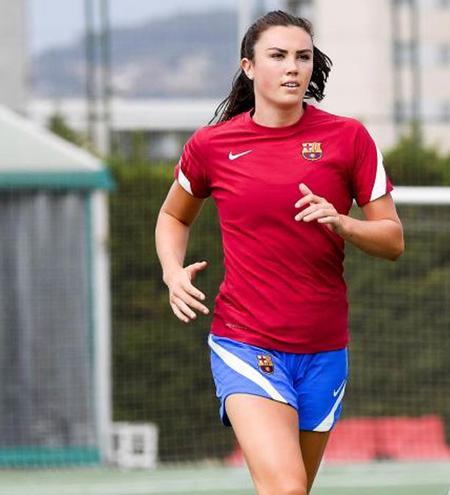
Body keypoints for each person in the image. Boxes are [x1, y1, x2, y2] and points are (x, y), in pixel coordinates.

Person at [155, 11, 404, 494]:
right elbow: (173, 216)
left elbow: (393, 239)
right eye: (278, 56)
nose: (293, 67)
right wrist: (172, 272)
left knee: (293, 490)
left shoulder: (349, 138)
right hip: (245, 341)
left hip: (324, 349)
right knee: (286, 488)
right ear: (248, 66)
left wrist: (342, 221)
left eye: (303, 57)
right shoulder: (211, 146)